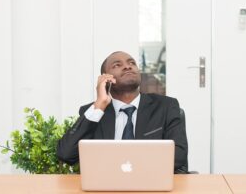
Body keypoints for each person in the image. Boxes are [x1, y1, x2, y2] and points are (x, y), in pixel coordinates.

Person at [57, 51, 188, 173]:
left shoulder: (165, 106)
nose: (127, 67)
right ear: (105, 78)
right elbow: (66, 154)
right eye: (117, 65)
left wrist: (123, 162)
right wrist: (99, 105)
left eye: (132, 63)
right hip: (106, 187)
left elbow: (178, 155)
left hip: (151, 183)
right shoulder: (94, 112)